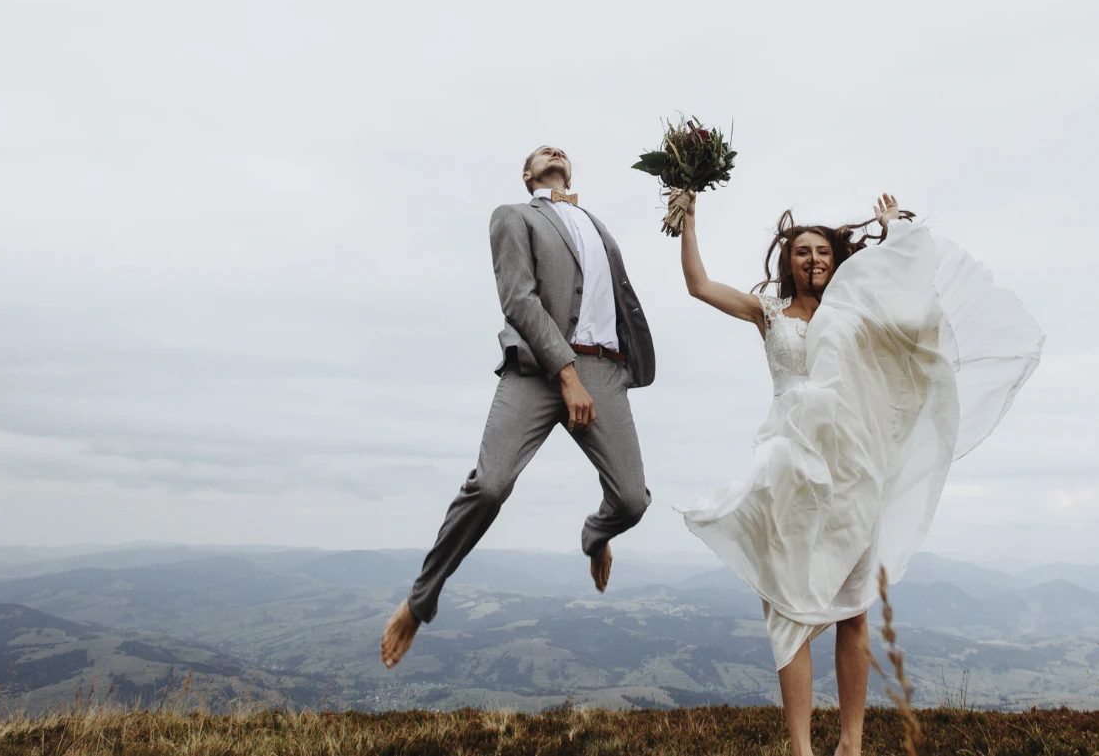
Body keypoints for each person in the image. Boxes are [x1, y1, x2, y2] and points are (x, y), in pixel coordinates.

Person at [675, 190, 1042, 756]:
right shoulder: (768, 312)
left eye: (822, 251)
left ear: (835, 258)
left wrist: (896, 233)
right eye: (802, 251)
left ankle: (852, 745)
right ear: (788, 261)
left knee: (853, 607)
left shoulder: (857, 312)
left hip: (851, 466)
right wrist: (690, 220)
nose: (813, 259)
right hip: (790, 465)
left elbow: (917, 310)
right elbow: (699, 285)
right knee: (787, 605)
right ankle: (800, 748)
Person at [380, 145, 655, 669]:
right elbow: (519, 300)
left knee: (632, 502)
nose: (555, 151)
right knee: (489, 485)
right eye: (540, 152)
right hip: (537, 369)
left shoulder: (598, 226)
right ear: (527, 174)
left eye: (562, 150)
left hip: (604, 367)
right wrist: (566, 374)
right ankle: (420, 599)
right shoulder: (513, 216)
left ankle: (595, 536)